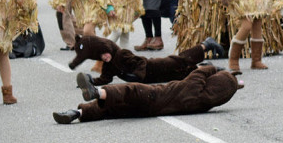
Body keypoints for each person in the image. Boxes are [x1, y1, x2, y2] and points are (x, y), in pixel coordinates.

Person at [52, 64, 243, 124]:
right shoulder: (204, 101)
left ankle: (97, 91)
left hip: (154, 95)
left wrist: (216, 68)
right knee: (115, 109)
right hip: (150, 111)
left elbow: (200, 72)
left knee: (129, 90)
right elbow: (224, 88)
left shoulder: (194, 88)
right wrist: (234, 83)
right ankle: (77, 114)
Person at [68, 34, 224, 85]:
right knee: (184, 76)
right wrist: (90, 82)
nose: (105, 56)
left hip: (155, 67)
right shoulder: (109, 65)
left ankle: (206, 44)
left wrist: (138, 75)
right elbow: (105, 79)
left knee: (181, 60)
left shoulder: (121, 54)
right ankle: (209, 69)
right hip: (155, 78)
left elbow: (140, 62)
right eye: (101, 56)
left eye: (105, 52)